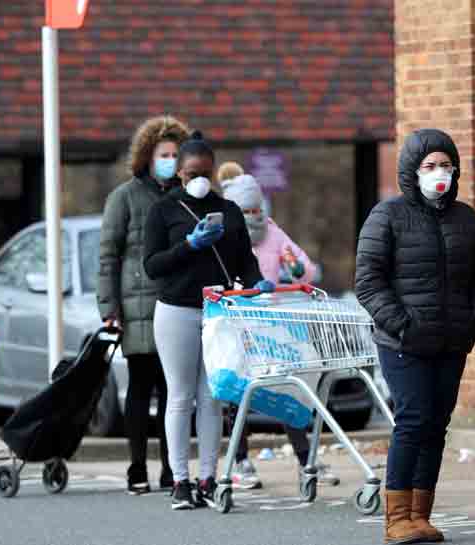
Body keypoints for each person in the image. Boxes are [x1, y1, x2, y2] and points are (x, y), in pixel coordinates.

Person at [355, 129, 475, 544]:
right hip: (403, 343)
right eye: (430, 166)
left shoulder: (466, 219)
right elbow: (368, 281)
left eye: (446, 166)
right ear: (412, 171)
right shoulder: (388, 216)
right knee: (413, 421)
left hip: (452, 341)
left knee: (436, 425)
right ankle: (396, 519)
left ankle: (420, 514)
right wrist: (401, 323)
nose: (439, 174)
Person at [143, 131, 271, 510]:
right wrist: (189, 245)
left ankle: (208, 476)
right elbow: (152, 266)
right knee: (180, 397)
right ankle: (180, 479)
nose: (197, 179)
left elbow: (244, 259)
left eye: (204, 172)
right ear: (179, 174)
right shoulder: (163, 210)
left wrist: (255, 281)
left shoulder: (229, 210)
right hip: (176, 310)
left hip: (218, 310)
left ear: (213, 172)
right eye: (190, 173)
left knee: (212, 397)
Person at [219, 171, 340, 490]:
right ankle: (240, 460)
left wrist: (298, 269)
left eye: (257, 209)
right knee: (238, 394)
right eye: (245, 211)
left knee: (288, 387)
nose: (253, 216)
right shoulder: (226, 236)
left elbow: (305, 268)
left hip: (272, 326)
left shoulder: (273, 234)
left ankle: (305, 460)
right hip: (238, 324)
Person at [98, 115, 189, 495]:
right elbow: (109, 255)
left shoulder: (185, 197)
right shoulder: (124, 198)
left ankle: (171, 468)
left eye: (175, 154)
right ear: (147, 157)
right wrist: (109, 306)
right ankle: (137, 466)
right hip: (137, 309)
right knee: (140, 387)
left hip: (175, 304)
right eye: (163, 154)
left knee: (173, 390)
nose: (169, 160)